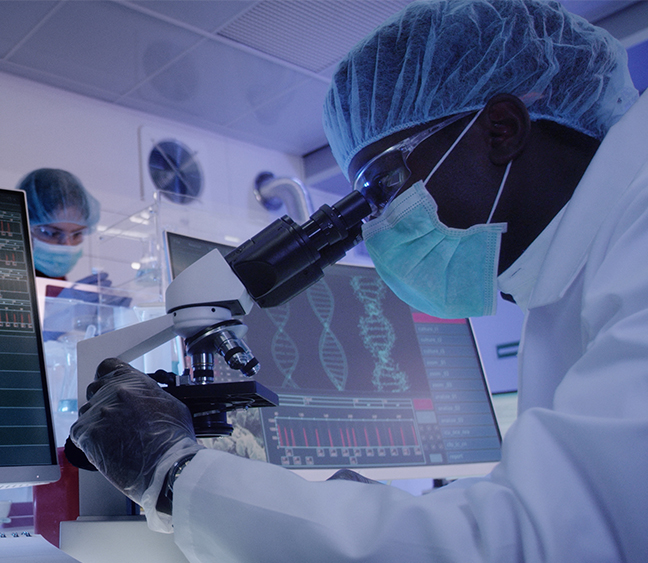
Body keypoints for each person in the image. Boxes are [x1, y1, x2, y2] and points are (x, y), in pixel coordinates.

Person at [69, 0, 648, 561]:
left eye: (383, 186)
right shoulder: (574, 276)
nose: (376, 228)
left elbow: (539, 542)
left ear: (500, 129)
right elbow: (571, 508)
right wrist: (375, 516)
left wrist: (174, 476)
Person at [17, 168, 101, 281]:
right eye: (51, 233)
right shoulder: (2, 274)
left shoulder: (60, 282)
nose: (67, 245)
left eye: (77, 234)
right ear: (22, 228)